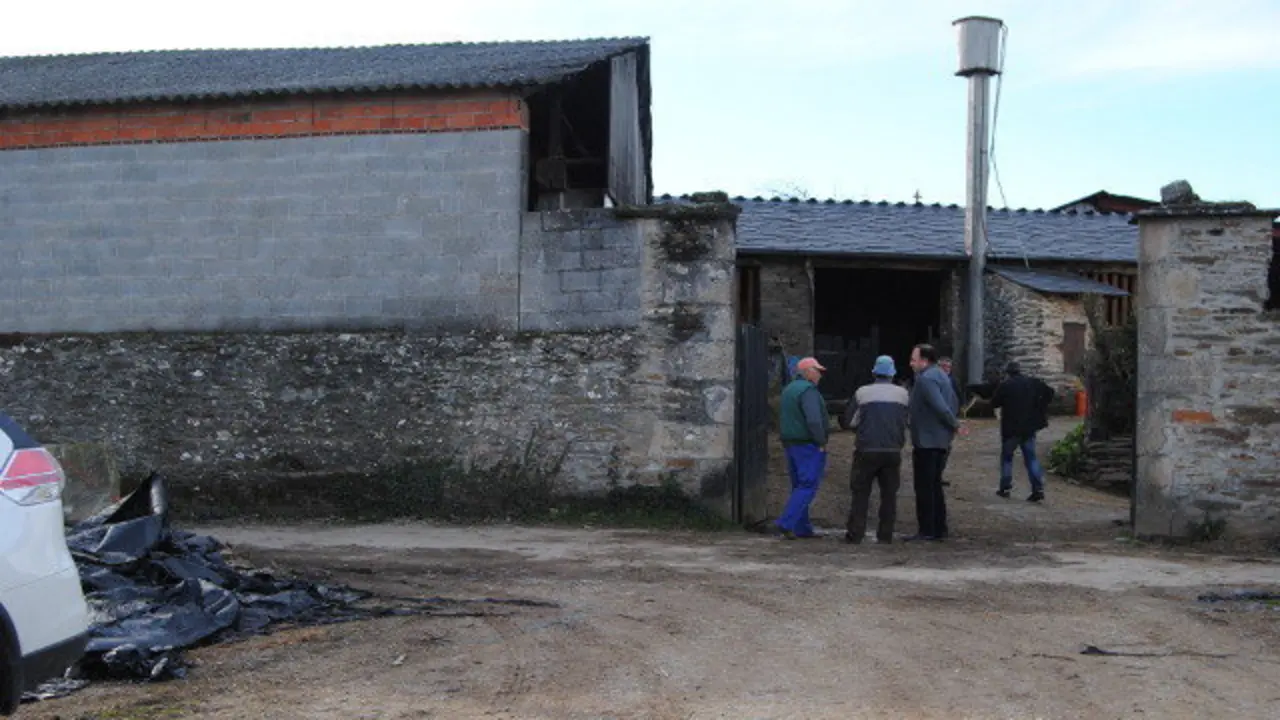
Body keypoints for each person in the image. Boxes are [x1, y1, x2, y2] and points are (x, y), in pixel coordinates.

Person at [841, 355, 909, 545]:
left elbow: (849, 421)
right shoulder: (903, 395)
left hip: (866, 449)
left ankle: (855, 534)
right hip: (892, 450)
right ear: (893, 374)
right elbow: (908, 420)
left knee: (860, 492)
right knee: (889, 495)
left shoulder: (862, 393)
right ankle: (885, 535)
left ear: (874, 372)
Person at [906, 344, 961, 542]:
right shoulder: (941, 376)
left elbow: (939, 406)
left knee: (925, 487)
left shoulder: (926, 379)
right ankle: (939, 527)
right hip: (939, 439)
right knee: (935, 485)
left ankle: (927, 529)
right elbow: (953, 402)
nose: (911, 363)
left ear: (924, 361)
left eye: (914, 359)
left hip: (927, 440)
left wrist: (954, 424)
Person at [775, 357, 830, 539]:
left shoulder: (788, 389)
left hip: (790, 443)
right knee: (808, 484)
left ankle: (802, 527)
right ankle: (787, 522)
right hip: (807, 444)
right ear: (808, 372)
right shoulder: (808, 391)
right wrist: (821, 441)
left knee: (798, 484)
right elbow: (813, 419)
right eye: (817, 371)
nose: (820, 375)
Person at [989, 361, 1055, 502]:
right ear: (1020, 371)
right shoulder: (1033, 383)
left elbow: (994, 403)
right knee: (1031, 458)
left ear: (1008, 373)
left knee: (1007, 458)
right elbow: (1050, 393)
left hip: (1010, 428)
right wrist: (1040, 407)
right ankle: (1038, 488)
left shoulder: (1006, 386)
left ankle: (1005, 487)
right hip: (1028, 427)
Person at [936, 356, 964, 488]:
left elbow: (960, 396)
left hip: (949, 420)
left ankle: (938, 474)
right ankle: (933, 475)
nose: (946, 369)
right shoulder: (932, 381)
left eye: (948, 367)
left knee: (945, 448)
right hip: (935, 420)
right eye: (943, 367)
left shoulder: (953, 381)